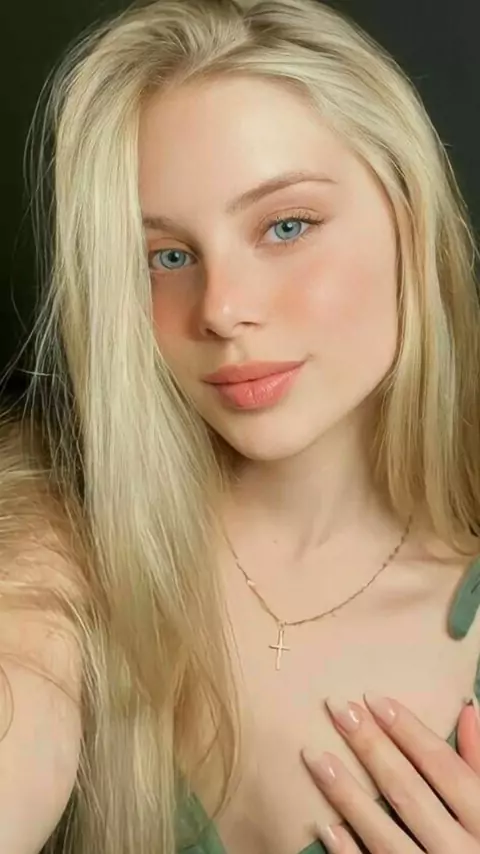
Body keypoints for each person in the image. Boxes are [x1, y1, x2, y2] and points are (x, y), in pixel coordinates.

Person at [2, 0, 480, 852]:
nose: (221, 309)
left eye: (286, 227)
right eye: (166, 257)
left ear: (411, 214)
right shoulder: (54, 546)